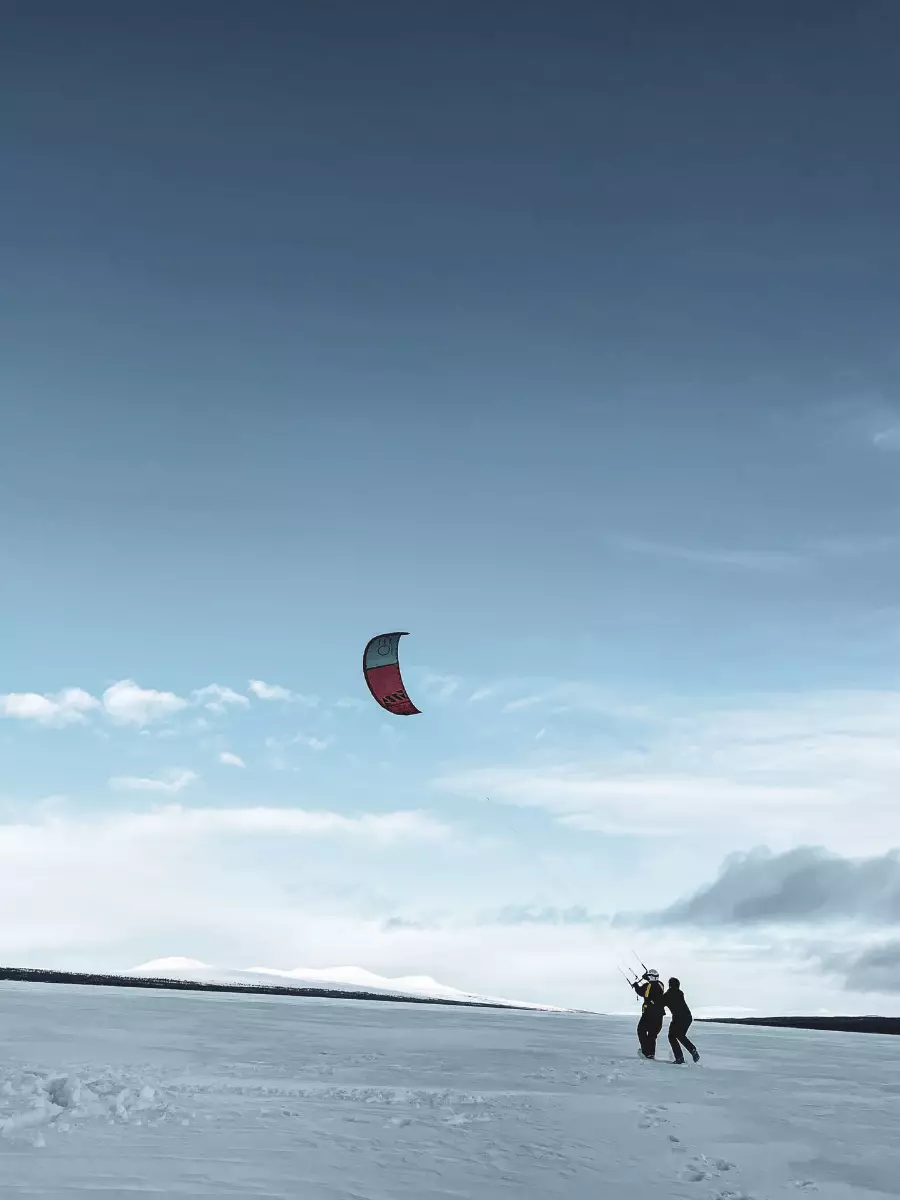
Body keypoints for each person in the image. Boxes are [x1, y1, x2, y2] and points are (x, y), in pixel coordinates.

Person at [663, 977, 700, 1064]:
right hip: (687, 1017)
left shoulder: (668, 995)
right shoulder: (680, 993)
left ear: (670, 985)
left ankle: (680, 1057)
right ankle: (692, 1050)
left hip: (678, 1018)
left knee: (672, 1036)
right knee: (680, 1035)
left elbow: (659, 1002)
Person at [631, 969, 666, 1058]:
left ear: (650, 977)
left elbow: (642, 992)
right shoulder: (661, 984)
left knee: (641, 1030)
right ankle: (651, 1054)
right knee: (652, 1034)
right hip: (659, 1014)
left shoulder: (648, 986)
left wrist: (636, 986)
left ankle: (645, 1051)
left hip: (649, 1013)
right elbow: (652, 985)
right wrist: (646, 977)